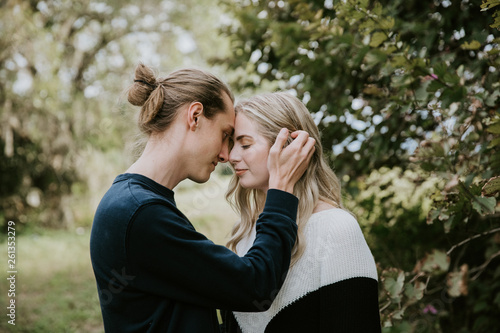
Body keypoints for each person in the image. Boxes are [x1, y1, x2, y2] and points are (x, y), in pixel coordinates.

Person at [89, 64, 316, 333]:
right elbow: (255, 286)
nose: (225, 155)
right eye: (225, 135)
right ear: (195, 116)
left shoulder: (132, 202)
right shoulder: (140, 213)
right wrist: (280, 190)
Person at [221, 92, 381, 332]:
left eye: (245, 144)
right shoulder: (246, 233)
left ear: (289, 146)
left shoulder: (336, 229)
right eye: (232, 144)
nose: (232, 156)